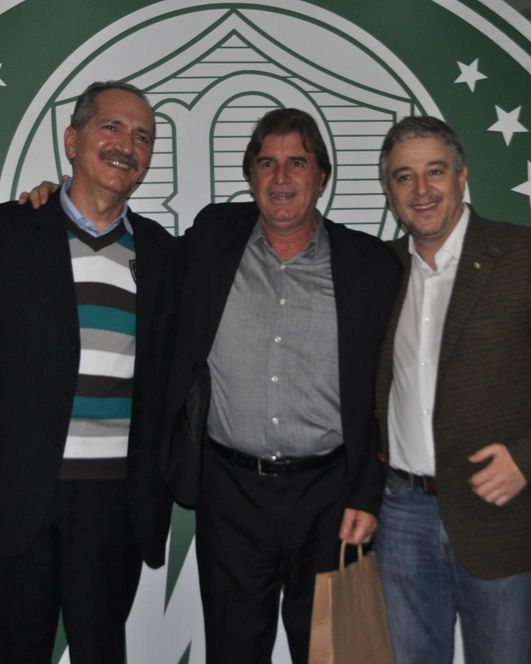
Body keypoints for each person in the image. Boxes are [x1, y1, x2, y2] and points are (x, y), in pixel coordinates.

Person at [0, 81, 174, 664]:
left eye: (143, 136)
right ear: (72, 139)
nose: (128, 144)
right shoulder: (5, 231)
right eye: (112, 128)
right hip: (19, 495)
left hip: (117, 507)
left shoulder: (165, 254)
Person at [373, 115, 531, 664]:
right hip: (400, 515)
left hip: (500, 512)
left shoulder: (528, 257)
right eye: (403, 177)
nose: (421, 190)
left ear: (462, 177)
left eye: (434, 172)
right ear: (389, 192)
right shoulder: (381, 270)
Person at [164, 108, 402, 663]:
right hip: (230, 494)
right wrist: (64, 202)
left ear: (323, 176)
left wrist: (369, 492)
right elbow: (142, 252)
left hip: (334, 497)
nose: (281, 178)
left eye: (297, 162)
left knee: (337, 654)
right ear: (250, 176)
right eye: (266, 163)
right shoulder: (211, 239)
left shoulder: (370, 265)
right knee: (233, 653)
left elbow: (391, 389)